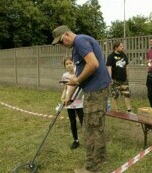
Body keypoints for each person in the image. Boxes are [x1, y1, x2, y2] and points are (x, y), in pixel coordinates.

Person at [52, 25, 111, 173]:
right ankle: (101, 157)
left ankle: (91, 168)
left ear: (66, 34)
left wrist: (77, 81)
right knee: (97, 127)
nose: (61, 45)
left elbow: (93, 64)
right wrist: (68, 97)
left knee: (91, 130)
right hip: (95, 90)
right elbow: (79, 75)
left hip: (96, 92)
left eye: (60, 41)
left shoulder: (80, 41)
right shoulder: (78, 46)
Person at [60, 57, 84, 150]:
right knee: (72, 121)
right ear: (64, 66)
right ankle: (76, 140)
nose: (69, 65)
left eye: (70, 63)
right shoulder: (64, 75)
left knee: (83, 121)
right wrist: (63, 96)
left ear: (74, 64)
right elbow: (65, 88)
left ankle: (88, 139)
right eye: (67, 64)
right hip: (69, 102)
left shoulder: (79, 73)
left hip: (79, 102)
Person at [106, 42, 132, 113]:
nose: (122, 47)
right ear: (116, 47)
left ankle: (129, 110)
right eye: (120, 46)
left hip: (124, 79)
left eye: (122, 46)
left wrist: (127, 76)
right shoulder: (111, 56)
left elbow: (127, 66)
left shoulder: (123, 55)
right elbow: (109, 68)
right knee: (115, 95)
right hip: (115, 80)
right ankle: (117, 110)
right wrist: (110, 78)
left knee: (127, 94)